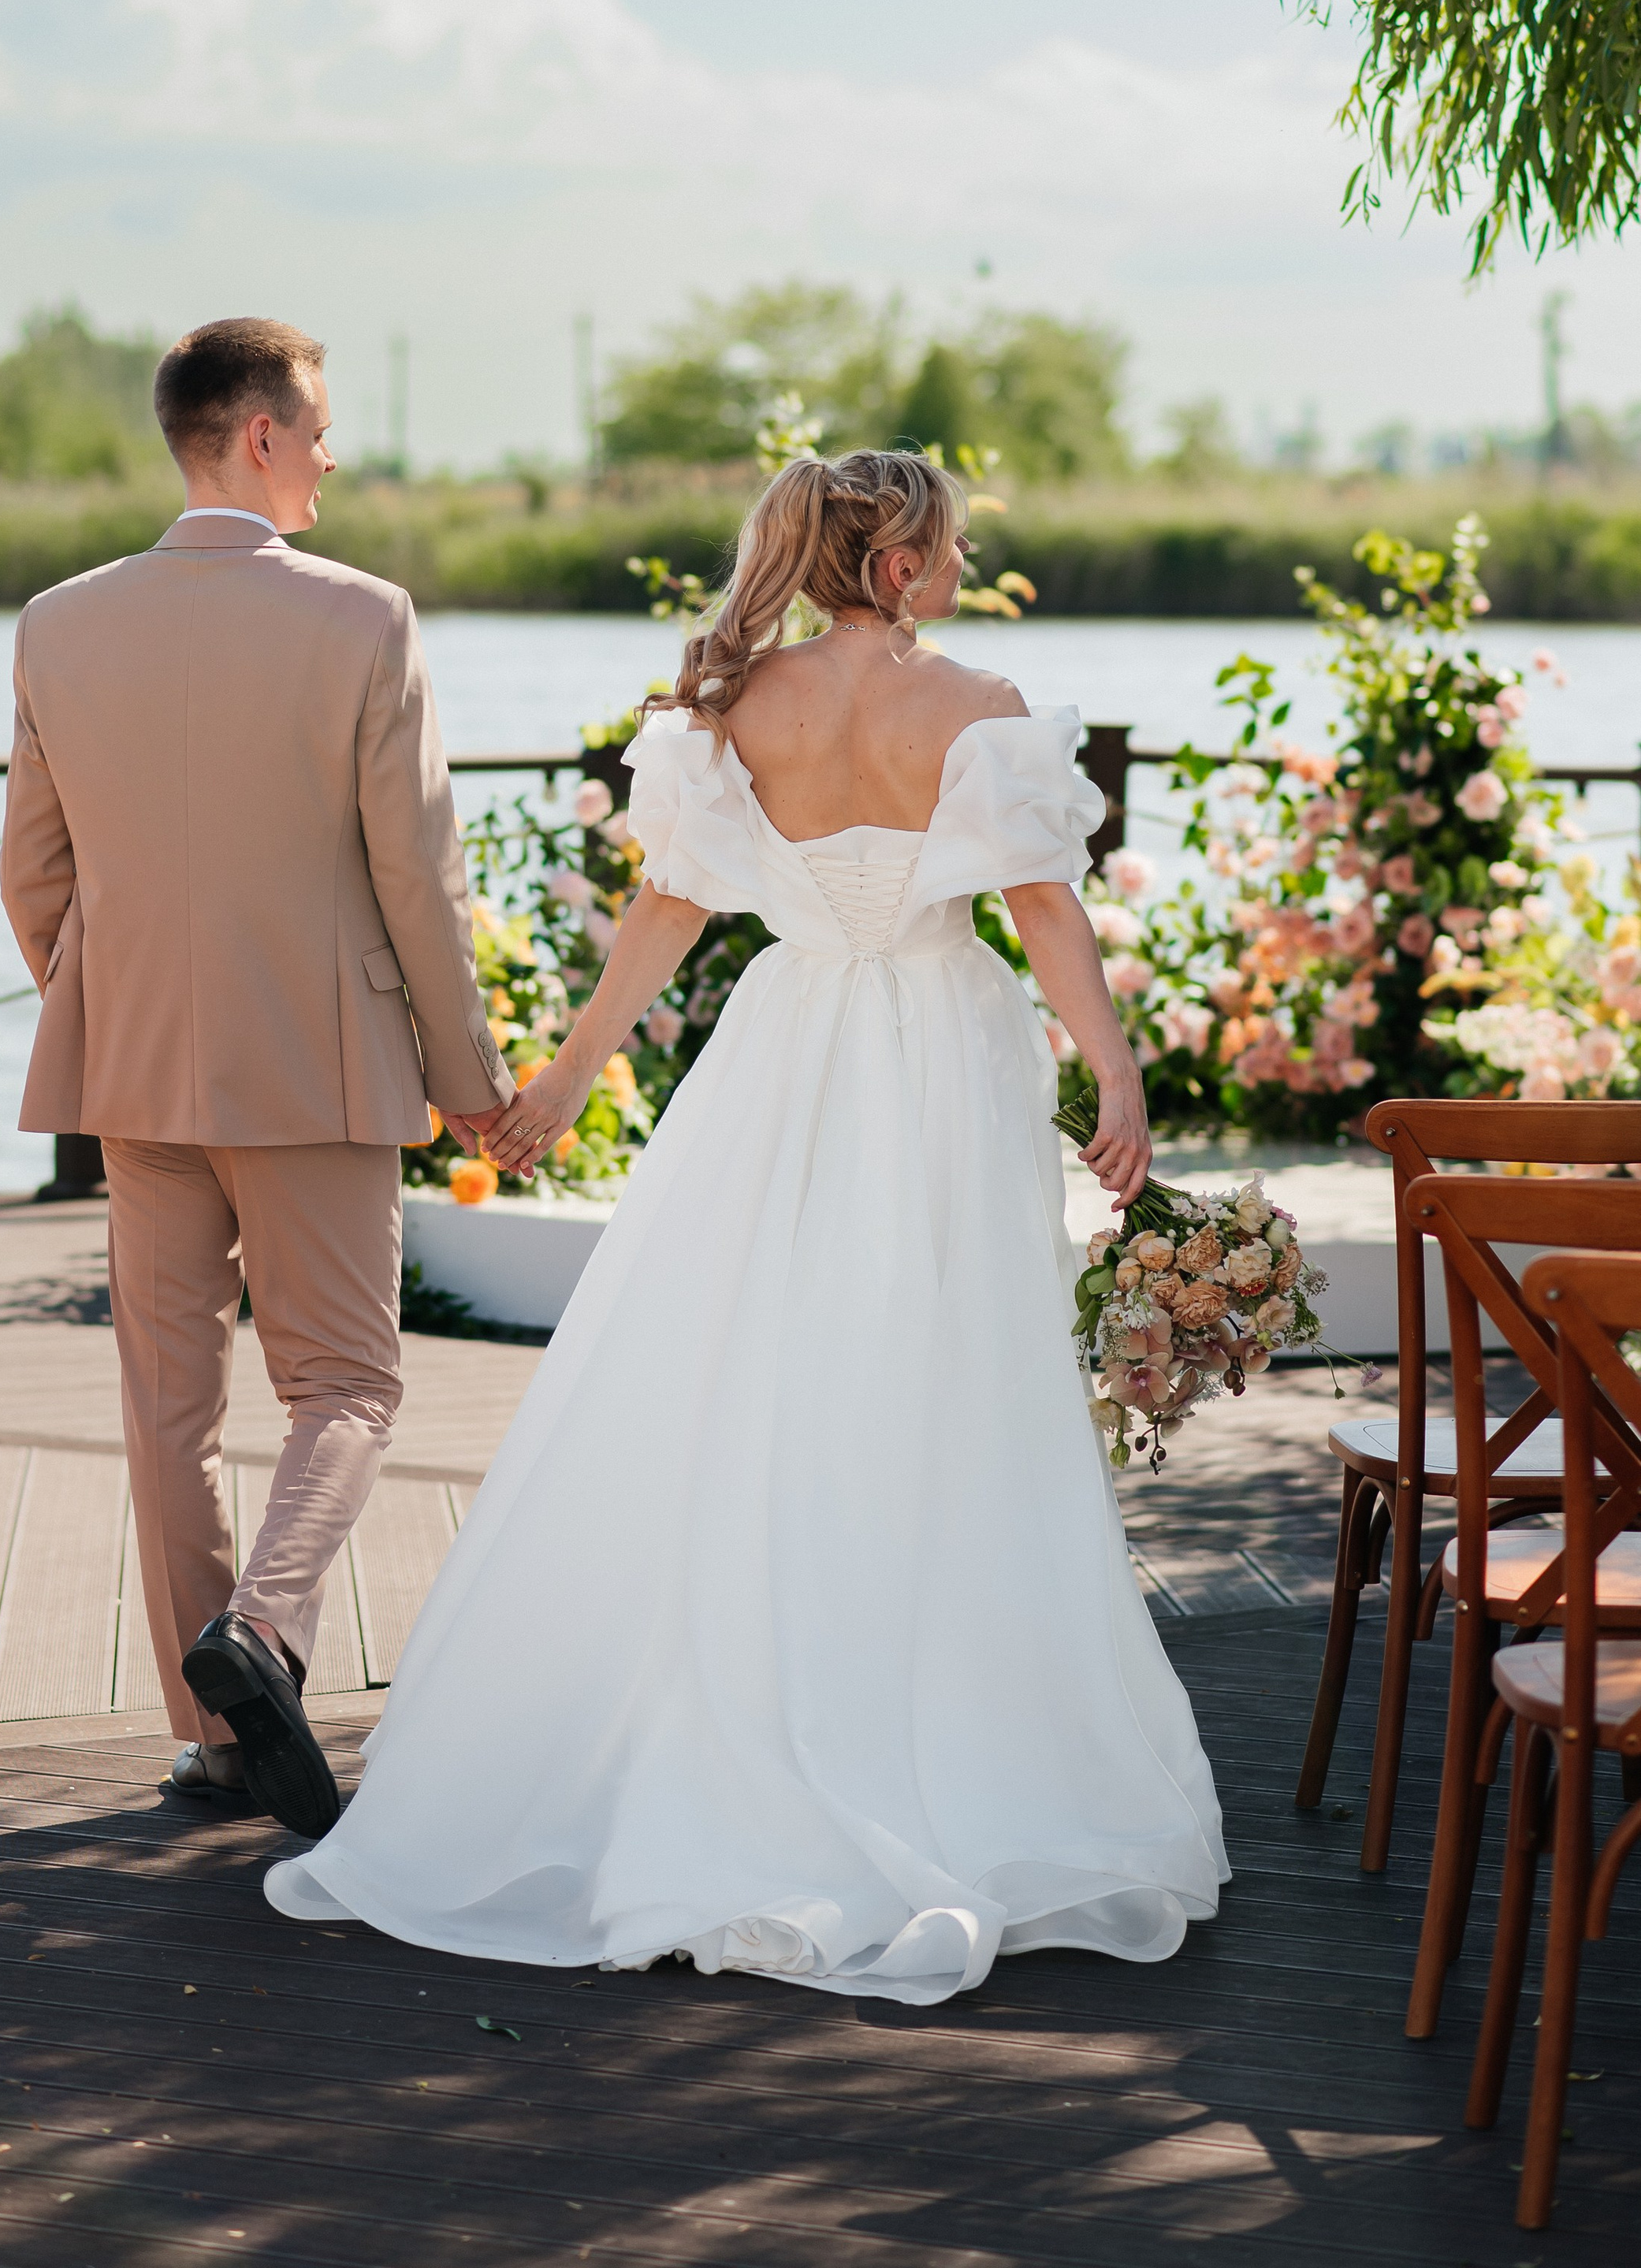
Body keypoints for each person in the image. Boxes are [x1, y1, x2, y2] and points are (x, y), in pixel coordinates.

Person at [262, 448, 1226, 2001]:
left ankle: (727, 1714)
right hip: (931, 1048)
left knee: (746, 1366)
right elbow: (1042, 909)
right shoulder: (974, 706)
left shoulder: (736, 709)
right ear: (898, 563)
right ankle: (937, 1735)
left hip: (781, 1049)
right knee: (937, 1377)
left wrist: (570, 1076)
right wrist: (1111, 1074)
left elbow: (668, 906)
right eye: (952, 544)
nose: (965, 564)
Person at [0, 315, 512, 1829]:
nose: (337, 457)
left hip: (137, 1073)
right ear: (263, 435)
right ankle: (267, 1634)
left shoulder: (57, 621)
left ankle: (210, 1737)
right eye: (323, 428)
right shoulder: (366, 621)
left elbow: (34, 877)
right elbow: (417, 879)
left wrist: (117, 1006)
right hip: (319, 1064)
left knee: (168, 1407)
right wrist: (467, 1071)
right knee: (345, 1382)